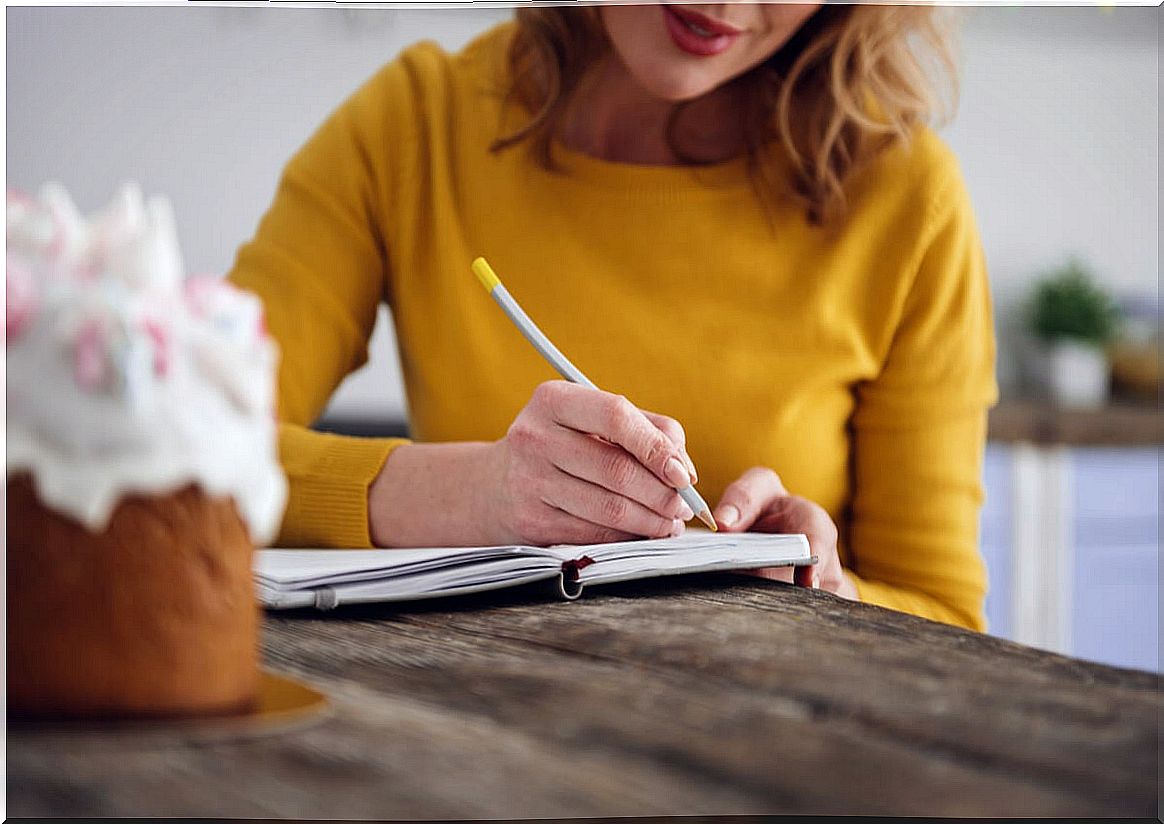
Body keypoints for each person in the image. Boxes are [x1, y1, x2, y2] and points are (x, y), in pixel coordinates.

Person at [228, 3, 997, 630]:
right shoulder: (417, 125)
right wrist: (476, 493)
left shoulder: (903, 198)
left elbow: (948, 619)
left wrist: (827, 593)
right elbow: (169, 449)